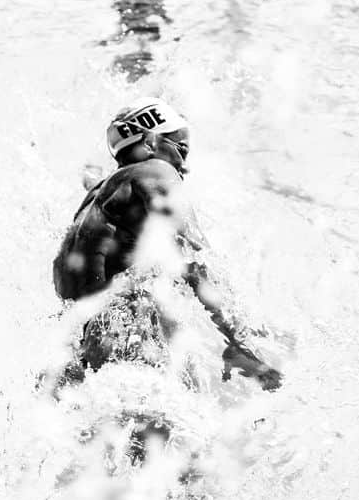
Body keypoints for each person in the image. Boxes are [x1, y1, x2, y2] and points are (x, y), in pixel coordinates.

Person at [52, 97, 282, 392]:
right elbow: (198, 259)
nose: (183, 166)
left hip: (79, 347)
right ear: (149, 141)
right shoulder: (157, 171)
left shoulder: (100, 194)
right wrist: (240, 341)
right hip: (130, 334)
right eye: (180, 149)